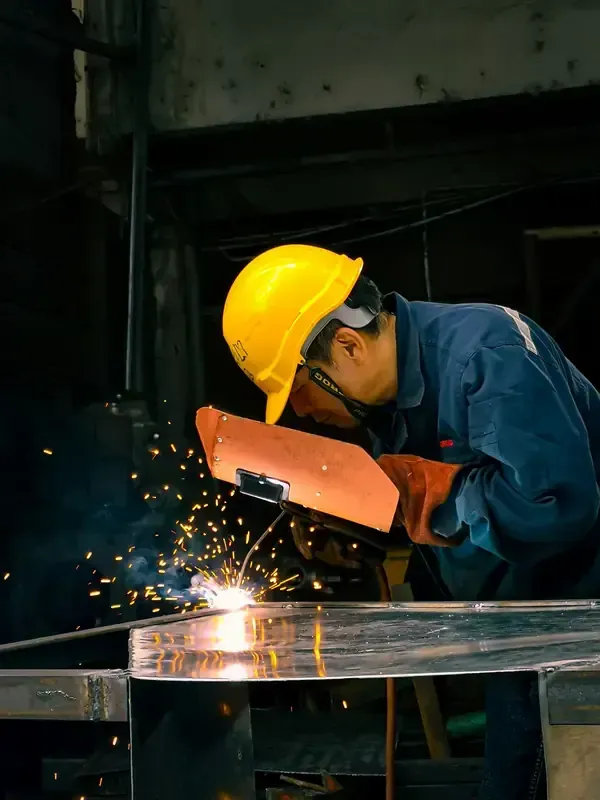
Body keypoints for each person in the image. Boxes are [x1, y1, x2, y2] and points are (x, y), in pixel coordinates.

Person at [222, 243, 600, 799]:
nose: (301, 411)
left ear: (347, 343)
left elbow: (557, 506)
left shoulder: (487, 353)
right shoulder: (393, 407)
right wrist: (365, 529)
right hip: (527, 640)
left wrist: (434, 494)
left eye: (300, 387)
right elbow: (440, 524)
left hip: (581, 636)